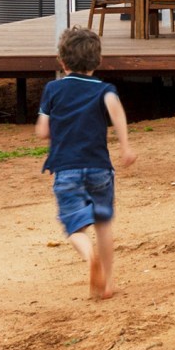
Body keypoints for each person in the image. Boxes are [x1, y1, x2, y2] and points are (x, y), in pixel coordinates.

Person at [36, 25, 135, 300]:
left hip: (66, 168)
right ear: (97, 60)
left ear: (62, 60)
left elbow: (43, 130)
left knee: (74, 226)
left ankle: (88, 254)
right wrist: (126, 147)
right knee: (103, 224)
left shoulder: (53, 89)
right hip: (99, 168)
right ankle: (108, 283)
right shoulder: (104, 89)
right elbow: (116, 111)